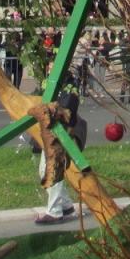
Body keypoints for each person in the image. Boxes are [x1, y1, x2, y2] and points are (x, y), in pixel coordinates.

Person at [34, 78, 87, 225]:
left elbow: (66, 111)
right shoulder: (49, 82)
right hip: (52, 133)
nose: (50, 67)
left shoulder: (69, 86)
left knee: (52, 170)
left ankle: (54, 211)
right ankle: (66, 205)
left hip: (63, 133)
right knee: (44, 171)